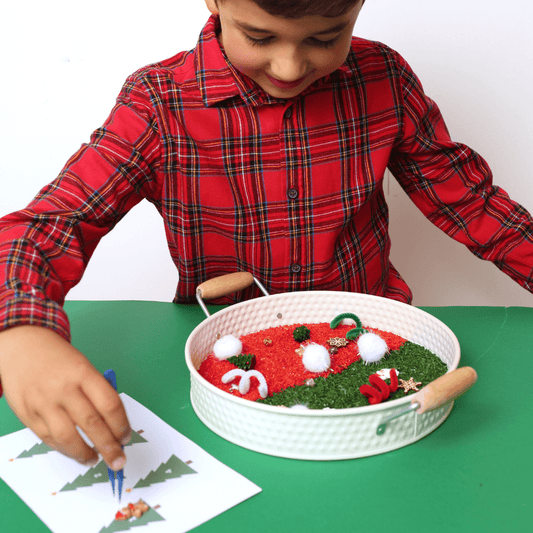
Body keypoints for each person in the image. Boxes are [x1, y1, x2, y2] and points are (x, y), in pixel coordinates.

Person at [0, 0, 532, 472]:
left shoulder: (384, 77)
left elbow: (470, 200)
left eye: (326, 37)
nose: (289, 66)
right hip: (226, 369)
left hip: (371, 349)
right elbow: (53, 222)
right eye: (259, 37)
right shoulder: (157, 102)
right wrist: (19, 327)